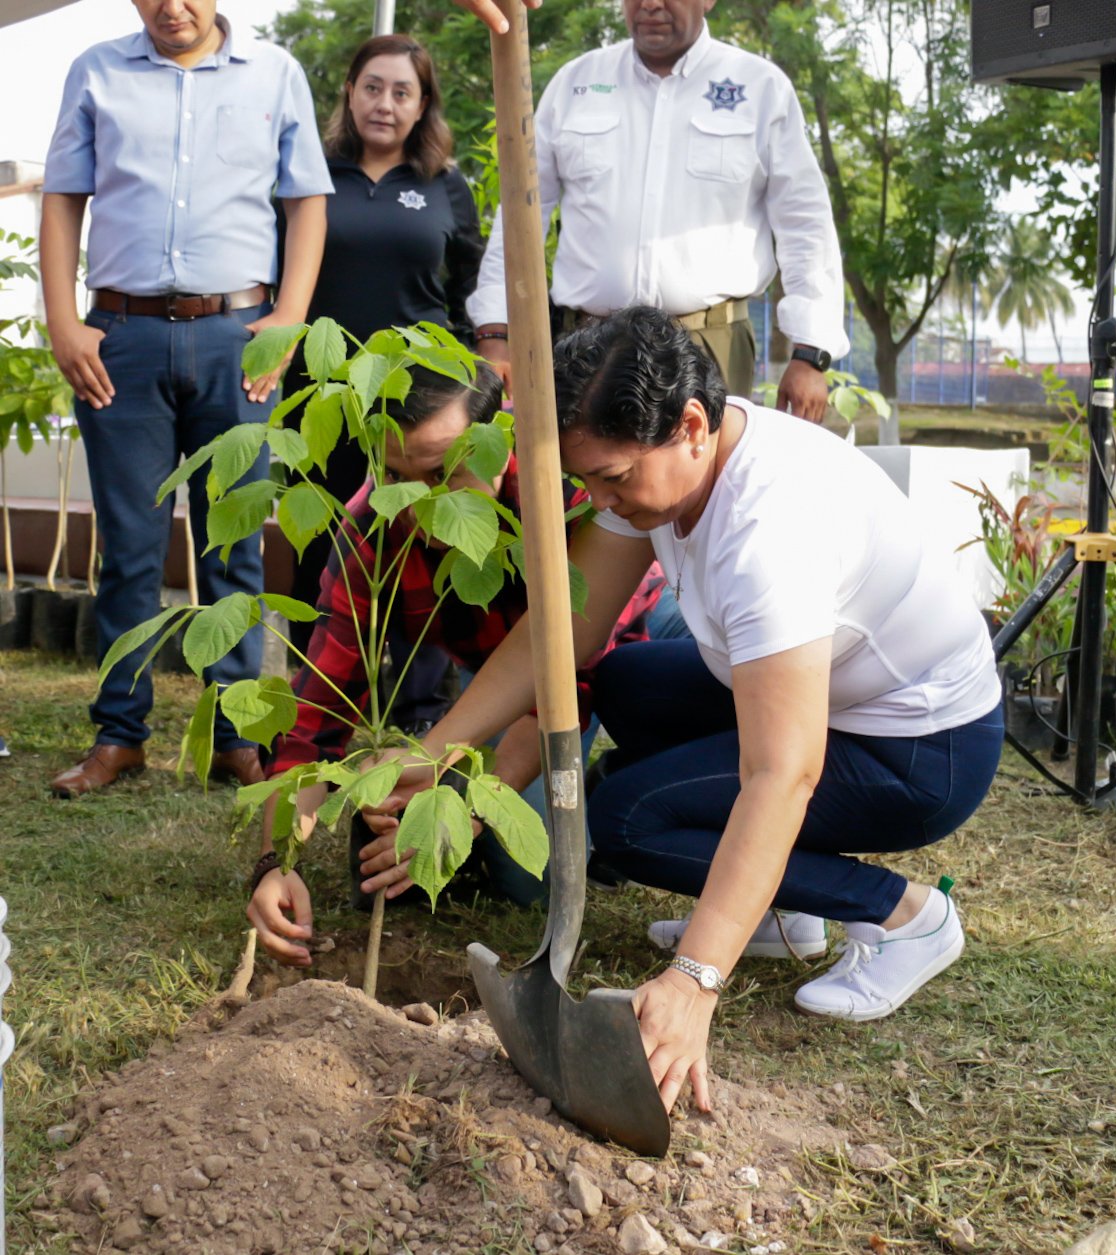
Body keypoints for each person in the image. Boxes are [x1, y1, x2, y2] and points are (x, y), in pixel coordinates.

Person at [361, 306, 1003, 1111]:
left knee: (628, 820)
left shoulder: (770, 532)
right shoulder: (669, 467)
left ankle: (905, 915)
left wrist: (695, 979)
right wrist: (437, 753)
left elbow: (782, 772)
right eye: (585, 479)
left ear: (691, 423)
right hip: (831, 694)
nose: (599, 500)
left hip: (918, 749)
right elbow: (560, 632)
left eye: (614, 480)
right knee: (628, 682)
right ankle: (782, 915)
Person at [247, 361, 662, 967]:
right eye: (397, 476)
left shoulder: (570, 499)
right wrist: (274, 864)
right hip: (499, 671)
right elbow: (316, 720)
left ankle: (618, 783)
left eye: (445, 473)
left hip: (630, 645)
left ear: (499, 442)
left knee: (542, 851)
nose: (422, 506)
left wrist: (467, 808)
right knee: (517, 874)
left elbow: (572, 682)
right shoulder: (371, 531)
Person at [41, 0, 332, 798]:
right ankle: (120, 733)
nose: (172, 6)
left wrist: (289, 320)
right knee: (129, 548)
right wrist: (64, 320)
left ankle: (235, 733)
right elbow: (64, 196)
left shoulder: (276, 73)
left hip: (236, 337)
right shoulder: (96, 71)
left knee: (232, 542)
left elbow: (306, 198)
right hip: (122, 337)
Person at [467, 0, 848, 419]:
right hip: (587, 346)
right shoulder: (576, 83)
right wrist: (495, 328)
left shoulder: (760, 89)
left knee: (702, 483)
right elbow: (521, 215)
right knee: (580, 482)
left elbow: (805, 223)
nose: (649, 4)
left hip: (708, 345)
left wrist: (811, 352)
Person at [282, 33, 484, 668]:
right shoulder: (308, 176)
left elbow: (471, 292)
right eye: (373, 87)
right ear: (350, 92)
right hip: (321, 394)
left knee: (413, 541)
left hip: (415, 401)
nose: (385, 104)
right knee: (321, 540)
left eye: (403, 92)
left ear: (423, 105)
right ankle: (315, 698)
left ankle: (418, 704)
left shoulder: (446, 187)